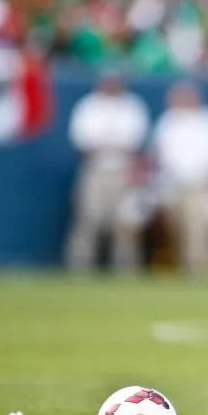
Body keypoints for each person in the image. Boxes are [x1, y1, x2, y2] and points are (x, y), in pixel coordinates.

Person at [66, 74, 149, 272]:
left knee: (125, 223)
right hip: (95, 170)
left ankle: (126, 269)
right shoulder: (88, 105)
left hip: (124, 171)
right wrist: (111, 144)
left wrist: (110, 144)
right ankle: (80, 268)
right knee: (89, 219)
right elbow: (83, 142)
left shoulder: (132, 106)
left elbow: (135, 143)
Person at [152, 80, 208, 274]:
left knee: (200, 227)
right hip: (172, 183)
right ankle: (179, 264)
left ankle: (200, 267)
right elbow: (157, 153)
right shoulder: (167, 120)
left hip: (201, 182)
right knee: (176, 226)